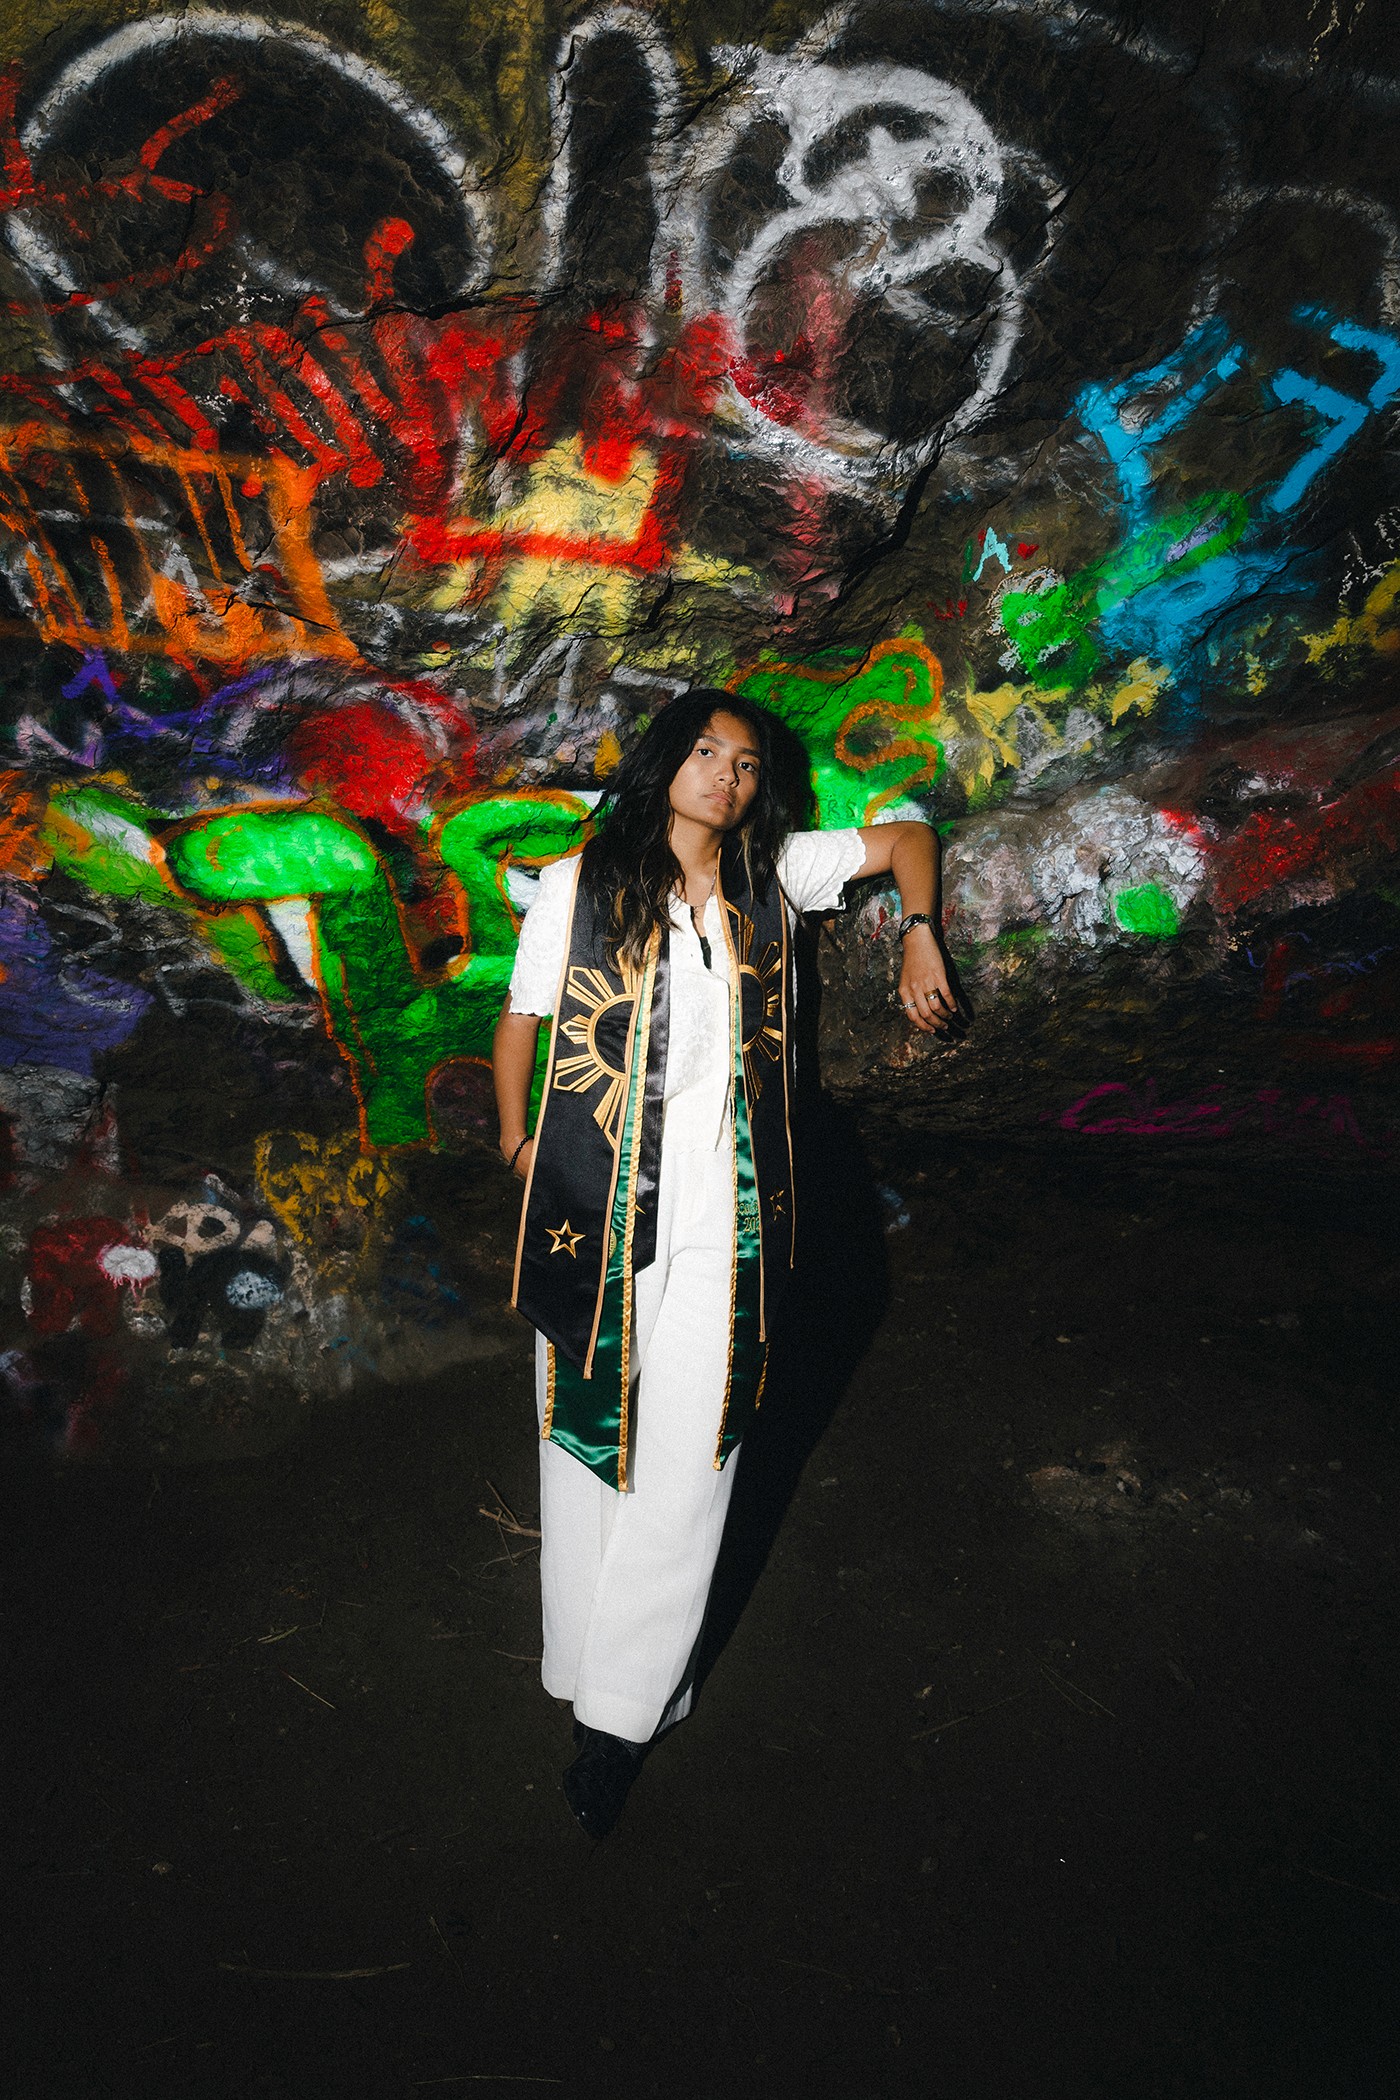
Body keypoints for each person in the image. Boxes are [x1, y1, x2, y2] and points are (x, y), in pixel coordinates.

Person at [491, 689, 955, 1837]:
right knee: (585, 1438)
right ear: (665, 762)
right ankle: (583, 1660)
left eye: (745, 764)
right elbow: (522, 1020)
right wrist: (514, 1144)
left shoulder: (773, 874)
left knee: (698, 1452)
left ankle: (618, 1719)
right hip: (602, 1204)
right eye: (705, 753)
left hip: (731, 1210)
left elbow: (906, 838)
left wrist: (918, 928)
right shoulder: (578, 887)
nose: (726, 776)